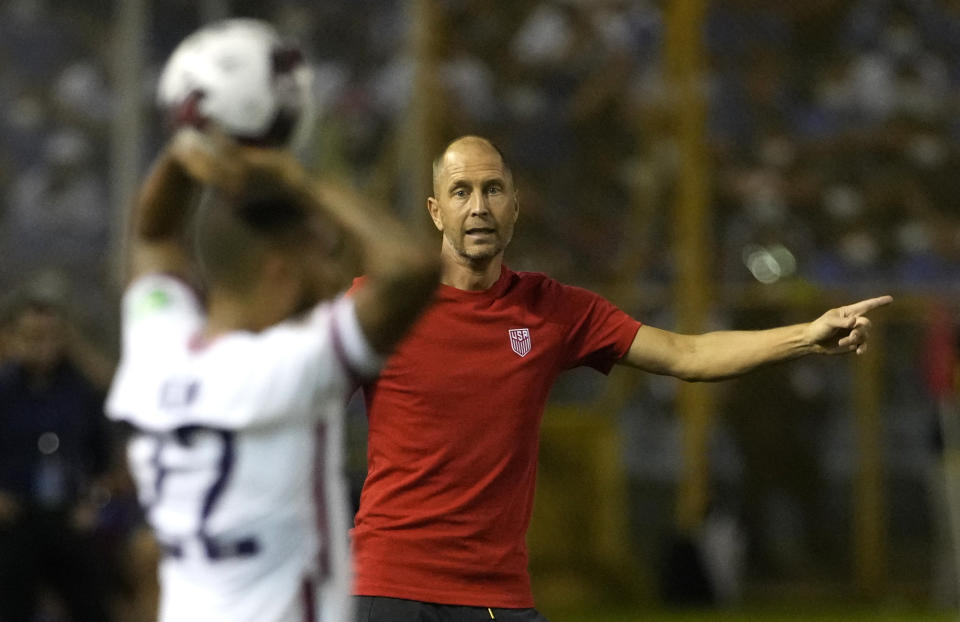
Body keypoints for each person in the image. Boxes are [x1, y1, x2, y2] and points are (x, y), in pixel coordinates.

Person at [349, 135, 892, 622]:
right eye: (461, 191)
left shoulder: (553, 310)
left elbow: (688, 353)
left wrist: (806, 336)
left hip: (493, 592)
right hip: (387, 588)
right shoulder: (383, 304)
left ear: (515, 206)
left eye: (493, 190)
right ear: (435, 210)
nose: (479, 206)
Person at [105, 128, 438, 622]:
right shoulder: (288, 368)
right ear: (279, 272)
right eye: (318, 258)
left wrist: (178, 162)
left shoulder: (156, 347)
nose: (329, 277)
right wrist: (299, 178)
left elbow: (153, 235)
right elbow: (411, 270)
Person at [0, 294, 115, 622]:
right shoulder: (3, 390)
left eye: (50, 336)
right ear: (13, 337)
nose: (42, 346)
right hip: (14, 518)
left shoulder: (81, 390)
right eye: (32, 337)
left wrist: (94, 502)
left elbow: (103, 458)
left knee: (93, 601)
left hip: (70, 515)